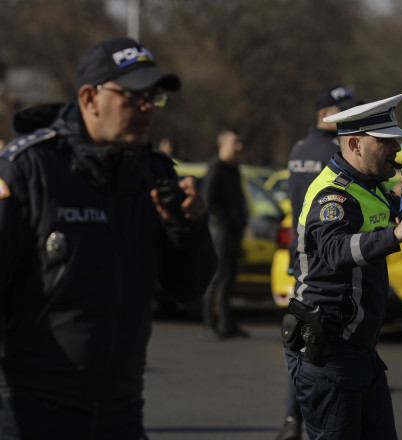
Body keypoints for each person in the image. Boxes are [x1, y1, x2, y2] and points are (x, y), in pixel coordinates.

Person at [0, 37, 216, 439]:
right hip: (33, 412)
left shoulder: (155, 173)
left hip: (121, 411)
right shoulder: (29, 169)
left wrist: (187, 227)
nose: (147, 108)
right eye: (134, 96)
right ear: (90, 98)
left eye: (153, 98)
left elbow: (187, 288)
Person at [281, 94, 402, 440]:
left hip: (360, 353)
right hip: (329, 353)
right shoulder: (333, 196)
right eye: (386, 141)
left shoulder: (368, 187)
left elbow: (397, 213)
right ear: (355, 145)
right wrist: (396, 235)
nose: (396, 148)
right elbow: (336, 251)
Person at [276, 85, 361, 440]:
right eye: (344, 111)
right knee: (316, 342)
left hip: (300, 252)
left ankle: (291, 418)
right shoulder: (333, 152)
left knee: (302, 335)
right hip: (327, 252)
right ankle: (304, 415)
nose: (350, 118)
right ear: (325, 114)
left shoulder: (298, 149)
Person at [201, 129, 250, 340]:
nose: (239, 147)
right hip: (220, 229)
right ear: (222, 145)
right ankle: (209, 324)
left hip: (234, 229)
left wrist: (243, 221)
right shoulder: (216, 168)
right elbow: (208, 201)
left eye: (239, 143)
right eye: (234, 143)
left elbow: (238, 198)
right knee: (217, 276)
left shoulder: (234, 169)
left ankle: (226, 322)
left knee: (229, 277)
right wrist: (227, 219)